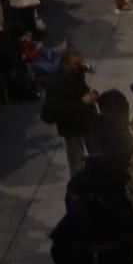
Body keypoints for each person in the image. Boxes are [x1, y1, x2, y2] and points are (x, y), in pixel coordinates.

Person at [42, 46, 100, 175]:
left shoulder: (76, 70)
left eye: (81, 63)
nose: (80, 66)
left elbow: (81, 88)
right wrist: (83, 101)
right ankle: (78, 187)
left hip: (87, 119)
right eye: (77, 63)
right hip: (71, 126)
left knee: (97, 153)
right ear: (66, 63)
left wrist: (91, 97)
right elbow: (60, 108)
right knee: (77, 163)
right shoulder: (55, 81)